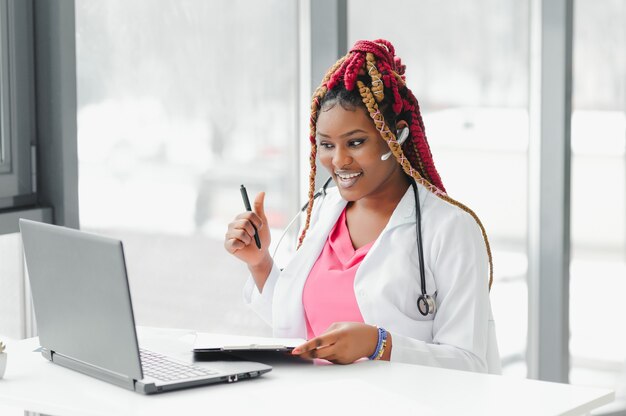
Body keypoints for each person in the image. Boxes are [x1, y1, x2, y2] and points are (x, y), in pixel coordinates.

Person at [224, 39, 500, 373]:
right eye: (327, 145)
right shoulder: (325, 212)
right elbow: (296, 327)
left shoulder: (450, 229)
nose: (338, 160)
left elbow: (470, 363)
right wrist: (259, 262)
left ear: (396, 134)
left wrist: (378, 344)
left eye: (356, 142)